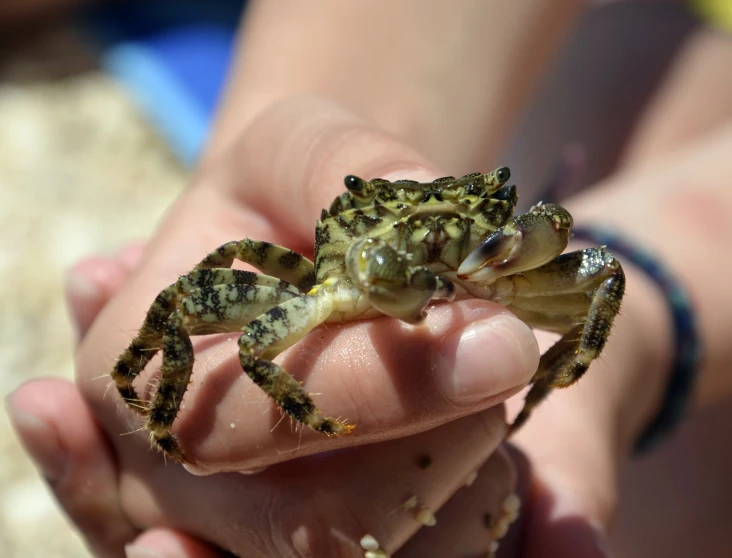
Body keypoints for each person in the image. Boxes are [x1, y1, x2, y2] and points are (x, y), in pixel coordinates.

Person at [7, 2, 732, 557]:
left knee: (606, 297)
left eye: (463, 214)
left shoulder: (512, 240)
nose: (434, 233)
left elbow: (599, 279)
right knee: (183, 308)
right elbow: (246, 341)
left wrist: (608, 349)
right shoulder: (316, 275)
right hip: (337, 283)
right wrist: (164, 430)